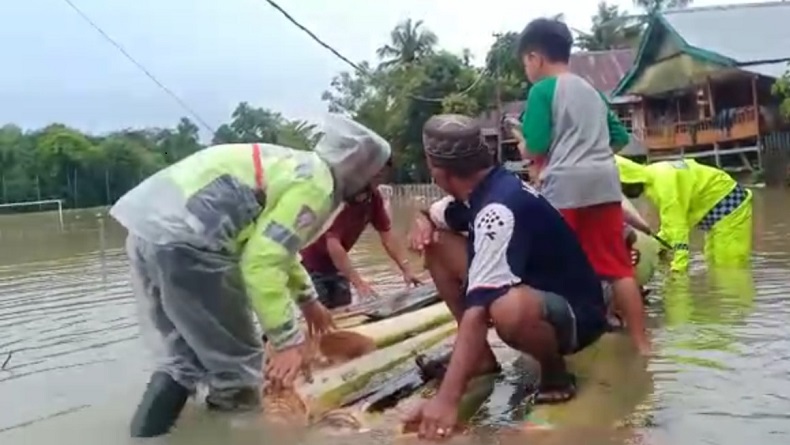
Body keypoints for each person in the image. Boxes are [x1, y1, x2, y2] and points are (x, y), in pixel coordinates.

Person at [109, 114, 391, 437]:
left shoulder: (299, 167)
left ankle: (142, 437)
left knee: (183, 361)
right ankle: (240, 433)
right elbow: (261, 263)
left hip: (151, 233)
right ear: (357, 168)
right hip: (192, 247)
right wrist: (288, 342)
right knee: (240, 372)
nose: (373, 186)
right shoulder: (317, 186)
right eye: (373, 176)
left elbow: (280, 247)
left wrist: (308, 300)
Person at [405, 114, 608, 440]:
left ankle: (555, 375)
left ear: (438, 171)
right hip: (544, 295)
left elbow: (477, 312)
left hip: (579, 317)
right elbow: (432, 213)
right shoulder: (483, 191)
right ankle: (483, 359)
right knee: (438, 245)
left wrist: (447, 400)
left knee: (505, 308)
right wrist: (422, 221)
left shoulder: (497, 208)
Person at [517, 18, 650, 355]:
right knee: (619, 267)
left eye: (525, 62)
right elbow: (620, 139)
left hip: (564, 187)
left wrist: (524, 147)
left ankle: (564, 345)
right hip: (604, 183)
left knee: (553, 266)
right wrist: (590, 154)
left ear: (535, 57)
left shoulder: (541, 91)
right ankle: (642, 344)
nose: (526, 69)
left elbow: (534, 147)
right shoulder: (590, 90)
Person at [300, 158, 421, 309]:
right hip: (309, 266)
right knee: (320, 314)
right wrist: (359, 283)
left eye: (384, 172)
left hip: (337, 267)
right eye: (376, 172)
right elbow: (332, 243)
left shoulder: (373, 198)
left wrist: (406, 269)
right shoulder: (340, 197)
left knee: (342, 310)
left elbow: (387, 236)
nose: (380, 175)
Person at [615, 155, 753, 272]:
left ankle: (737, 299)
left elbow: (677, 227)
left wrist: (679, 268)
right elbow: (669, 225)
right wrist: (657, 247)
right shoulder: (653, 177)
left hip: (730, 206)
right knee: (713, 261)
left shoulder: (664, 187)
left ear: (628, 180)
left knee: (730, 265)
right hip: (715, 212)